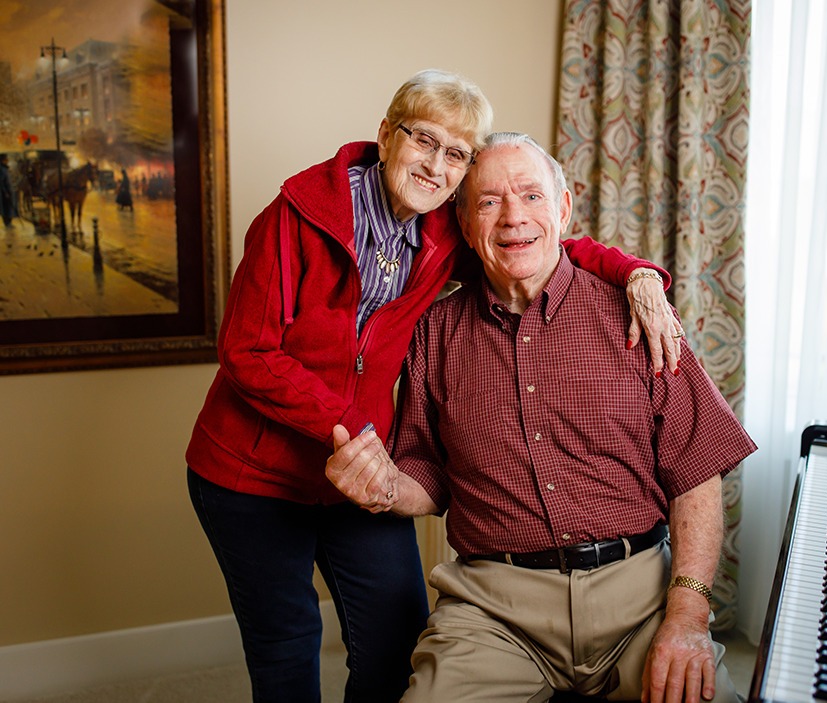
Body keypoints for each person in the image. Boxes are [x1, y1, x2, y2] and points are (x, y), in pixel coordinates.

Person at [186, 71, 685, 703]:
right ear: (386, 136)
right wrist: (351, 430)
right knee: (286, 640)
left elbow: (544, 238)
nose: (436, 164)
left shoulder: (448, 229)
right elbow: (246, 351)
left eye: (457, 154)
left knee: (397, 640)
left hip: (362, 474)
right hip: (252, 472)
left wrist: (638, 273)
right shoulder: (294, 218)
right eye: (424, 140)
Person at [326, 132, 757, 702]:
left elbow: (696, 473)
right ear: (463, 222)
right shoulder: (433, 332)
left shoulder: (638, 316)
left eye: (531, 196)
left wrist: (687, 616)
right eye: (488, 202)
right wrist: (383, 488)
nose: (513, 218)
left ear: (563, 208)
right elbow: (428, 475)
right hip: (493, 611)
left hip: (638, 600)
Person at [0, 154, 16, 226]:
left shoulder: (5, 169)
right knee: (7, 207)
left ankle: (9, 221)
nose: (7, 161)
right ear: (3, 160)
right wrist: (5, 192)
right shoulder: (1, 169)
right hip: (5, 193)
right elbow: (1, 182)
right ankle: (7, 222)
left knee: (10, 206)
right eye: (6, 159)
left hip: (9, 191)